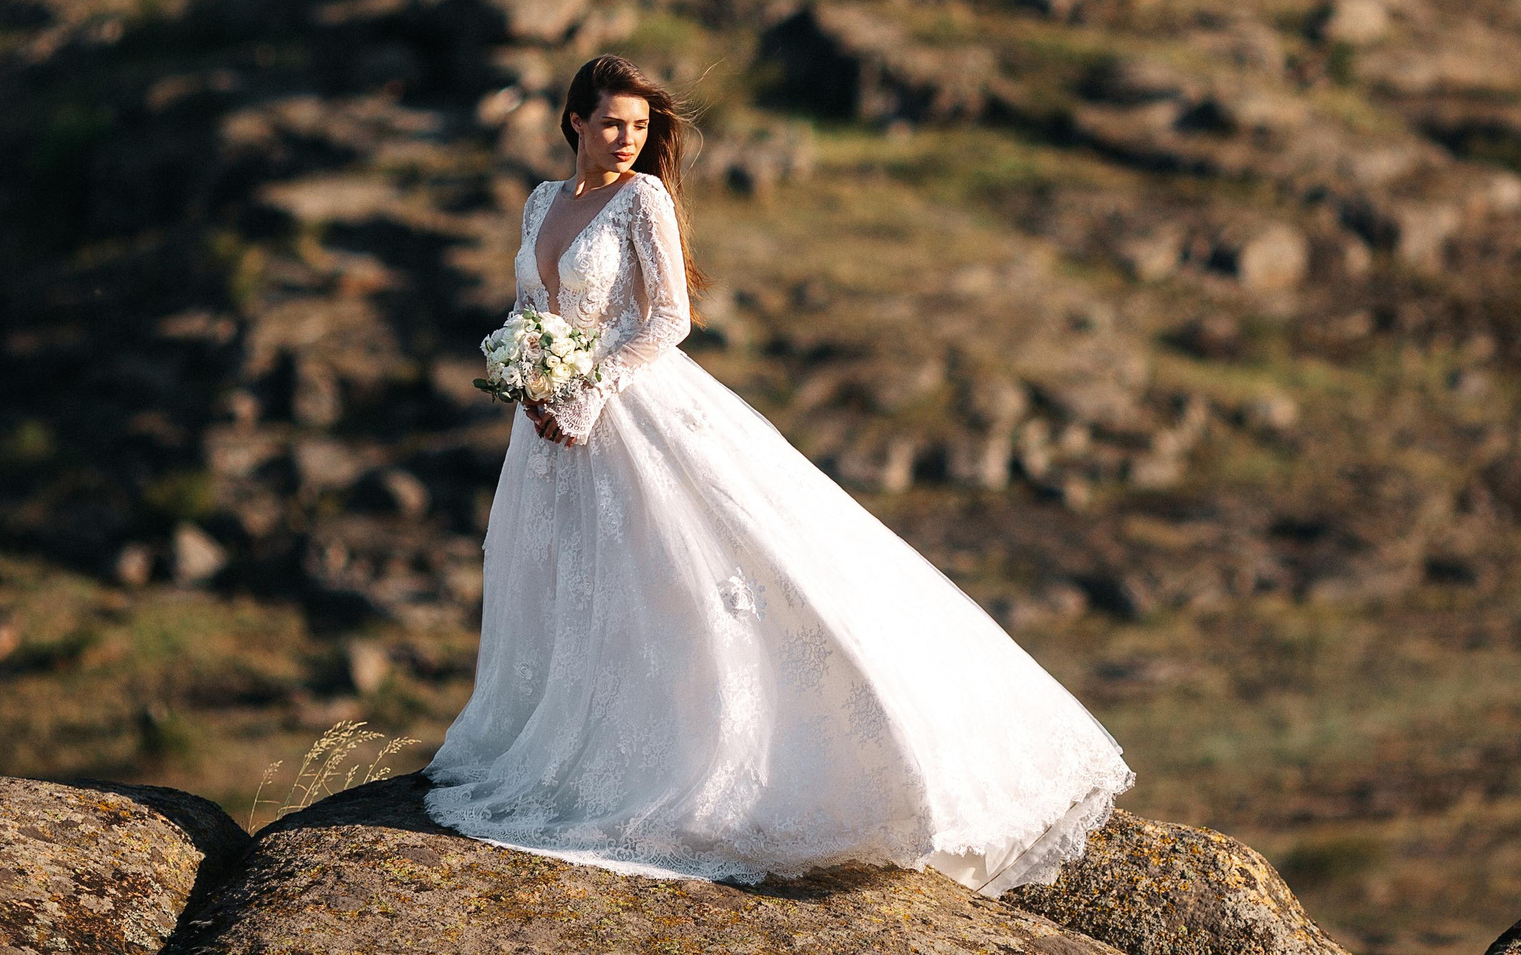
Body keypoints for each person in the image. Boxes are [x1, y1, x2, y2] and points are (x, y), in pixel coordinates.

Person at [424, 53, 1133, 895]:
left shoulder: (644, 198)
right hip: (544, 427)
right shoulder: (545, 199)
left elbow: (671, 319)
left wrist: (592, 390)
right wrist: (527, 371)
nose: (626, 139)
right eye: (612, 122)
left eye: (641, 127)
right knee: (566, 581)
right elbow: (530, 307)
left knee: (689, 575)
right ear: (575, 120)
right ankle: (562, 744)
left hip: (631, 408)